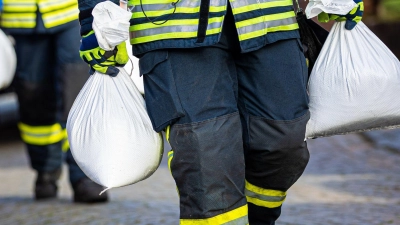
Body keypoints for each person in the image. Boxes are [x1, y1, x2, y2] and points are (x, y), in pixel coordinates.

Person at [77, 0, 363, 223]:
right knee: (205, 154)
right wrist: (95, 17)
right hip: (173, 27)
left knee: (283, 142)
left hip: (269, 18)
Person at [0, 0, 108, 203]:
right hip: (20, 19)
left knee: (76, 94)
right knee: (33, 98)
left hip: (70, 13)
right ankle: (45, 171)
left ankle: (85, 176)